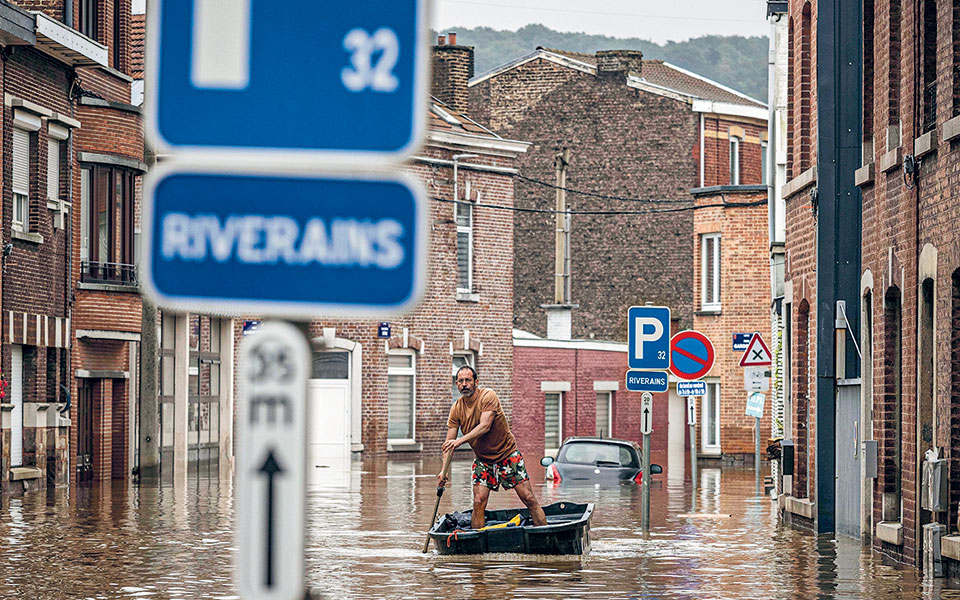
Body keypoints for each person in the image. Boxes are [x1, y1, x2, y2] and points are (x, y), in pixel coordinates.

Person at [438, 365, 547, 529]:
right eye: (460, 381)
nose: (464, 384)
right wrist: (443, 471)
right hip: (483, 461)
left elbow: (484, 426)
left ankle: (545, 533)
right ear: (456, 384)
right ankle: (477, 544)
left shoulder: (488, 396)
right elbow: (448, 445)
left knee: (528, 498)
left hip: (507, 455)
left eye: (468, 380)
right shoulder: (456, 409)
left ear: (476, 382)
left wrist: (460, 441)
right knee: (478, 501)